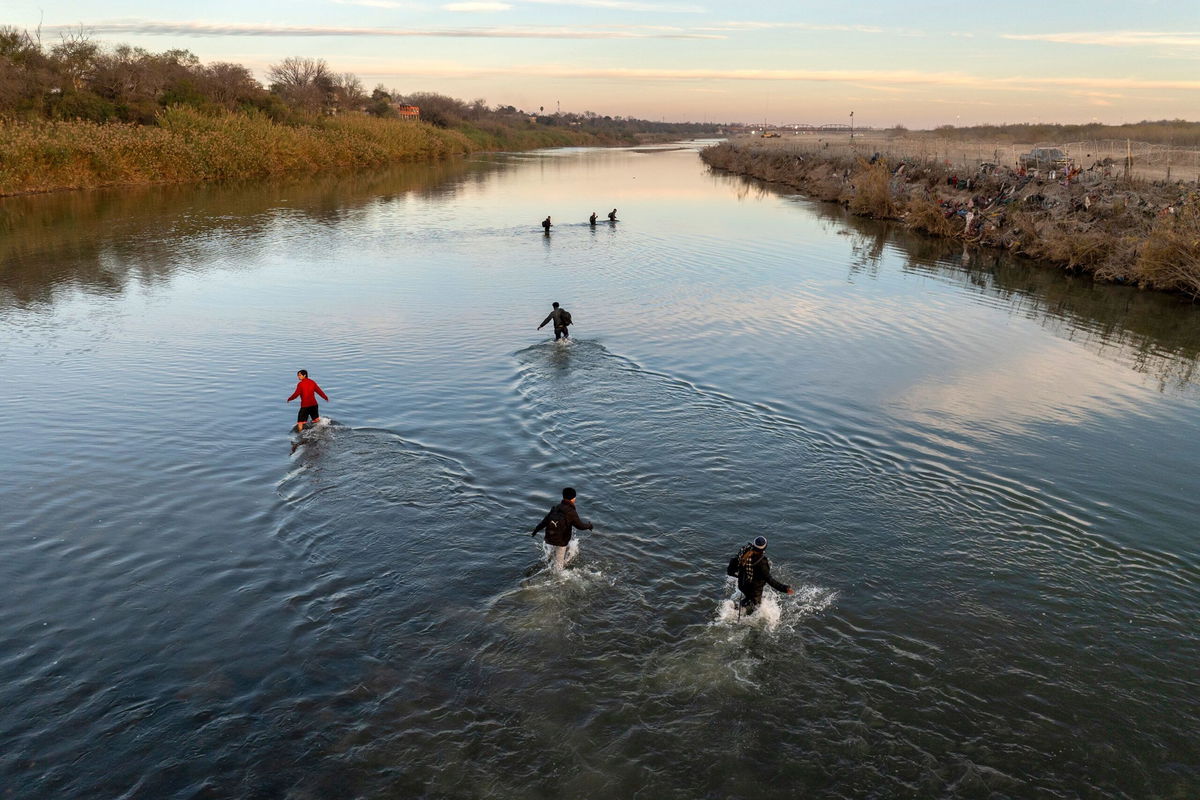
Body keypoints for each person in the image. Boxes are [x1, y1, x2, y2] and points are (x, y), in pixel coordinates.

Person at [726, 536, 794, 615]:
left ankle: (739, 606)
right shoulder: (762, 564)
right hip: (754, 589)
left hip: (742, 584)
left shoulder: (744, 550)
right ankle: (737, 610)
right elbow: (770, 580)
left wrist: (738, 576)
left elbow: (733, 564)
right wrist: (785, 589)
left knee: (748, 597)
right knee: (756, 607)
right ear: (764, 549)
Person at [531, 487, 594, 570]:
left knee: (554, 551)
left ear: (563, 497)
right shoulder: (571, 512)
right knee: (559, 567)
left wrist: (535, 531)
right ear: (573, 499)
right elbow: (580, 526)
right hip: (561, 541)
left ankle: (550, 560)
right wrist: (589, 526)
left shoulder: (556, 508)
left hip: (550, 538)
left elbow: (544, 522)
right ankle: (558, 577)